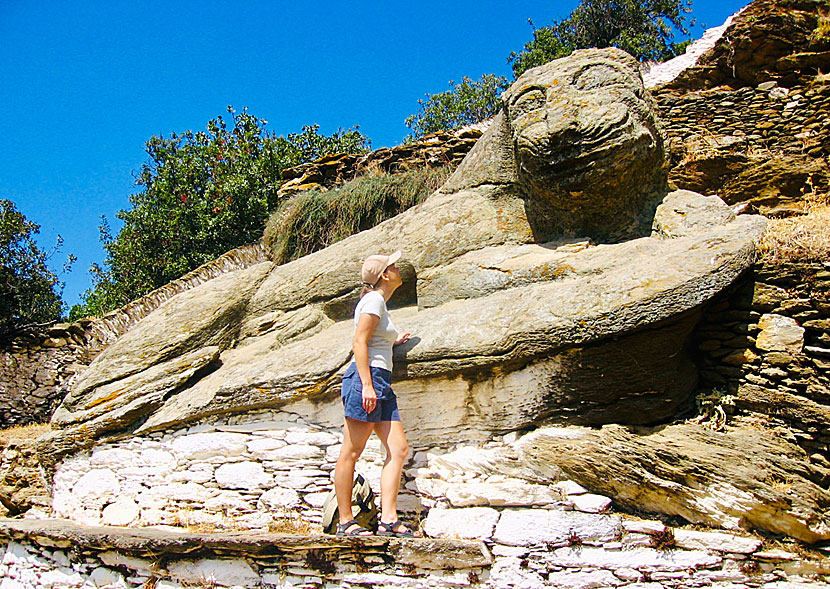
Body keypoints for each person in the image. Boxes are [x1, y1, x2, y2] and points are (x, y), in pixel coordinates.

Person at [333, 250, 422, 537]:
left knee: (398, 450)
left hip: (380, 380)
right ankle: (345, 521)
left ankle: (389, 520)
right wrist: (368, 385)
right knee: (352, 451)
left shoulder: (378, 302)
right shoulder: (372, 300)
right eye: (393, 266)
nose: (398, 269)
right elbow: (359, 342)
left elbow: (373, 341)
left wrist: (393, 342)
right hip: (366, 381)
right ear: (385, 275)